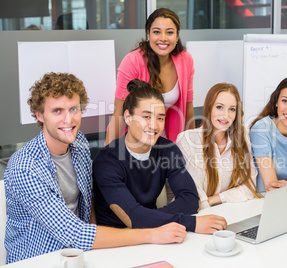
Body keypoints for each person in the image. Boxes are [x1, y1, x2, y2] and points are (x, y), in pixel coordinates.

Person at [3, 73, 188, 264]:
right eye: (57, 111)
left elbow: (88, 198)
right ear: (40, 114)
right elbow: (74, 233)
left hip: (80, 254)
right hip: (37, 260)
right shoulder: (25, 167)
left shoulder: (79, 143)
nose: (68, 120)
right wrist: (152, 234)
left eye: (74, 109)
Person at [93, 79, 227, 234]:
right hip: (116, 242)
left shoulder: (167, 149)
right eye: (146, 117)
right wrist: (190, 223)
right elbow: (133, 218)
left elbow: (190, 199)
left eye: (160, 118)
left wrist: (148, 218)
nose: (154, 125)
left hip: (156, 234)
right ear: (128, 117)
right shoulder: (107, 161)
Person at [105, 8, 195, 144]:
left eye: (169, 32)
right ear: (148, 34)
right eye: (156, 32)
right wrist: (107, 155)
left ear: (177, 35)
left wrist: (191, 148)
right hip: (135, 142)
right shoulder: (132, 62)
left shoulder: (185, 60)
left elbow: (188, 109)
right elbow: (118, 113)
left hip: (167, 141)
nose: (163, 38)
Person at [176, 83, 261, 209]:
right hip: (194, 215)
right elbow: (195, 196)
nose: (225, 115)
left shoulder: (241, 136)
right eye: (220, 107)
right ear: (209, 108)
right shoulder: (187, 140)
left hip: (228, 211)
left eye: (232, 109)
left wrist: (215, 200)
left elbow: (249, 187)